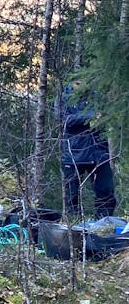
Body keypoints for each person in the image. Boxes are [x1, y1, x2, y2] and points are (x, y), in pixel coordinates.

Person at [58, 81, 117, 218]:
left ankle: (105, 222)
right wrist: (90, 117)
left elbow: (106, 116)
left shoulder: (97, 96)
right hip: (74, 153)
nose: (82, 85)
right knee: (72, 195)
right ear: (72, 82)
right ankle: (74, 225)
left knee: (106, 191)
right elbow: (65, 121)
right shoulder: (64, 98)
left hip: (99, 152)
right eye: (78, 82)